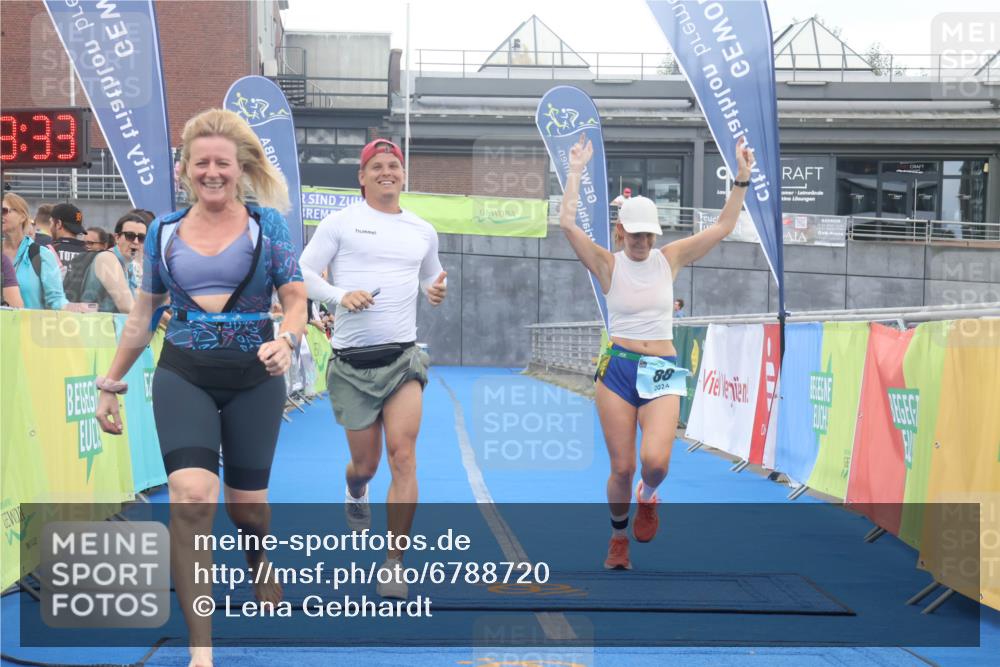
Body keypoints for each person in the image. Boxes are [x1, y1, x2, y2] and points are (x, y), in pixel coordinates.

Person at [94, 108, 306, 667]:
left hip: (255, 378)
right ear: (185, 168)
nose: (212, 172)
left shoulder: (269, 226)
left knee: (247, 510)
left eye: (223, 164)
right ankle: (201, 648)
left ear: (241, 169)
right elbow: (143, 315)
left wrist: (288, 338)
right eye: (201, 162)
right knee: (191, 499)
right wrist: (110, 383)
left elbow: (296, 297)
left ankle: (258, 558)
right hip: (183, 370)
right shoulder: (162, 232)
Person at [560, 134, 752, 570]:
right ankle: (617, 538)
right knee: (622, 467)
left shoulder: (670, 258)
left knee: (655, 463)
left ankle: (650, 495)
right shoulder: (607, 264)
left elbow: (723, 226)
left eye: (649, 234)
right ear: (620, 231)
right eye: (634, 233)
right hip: (618, 369)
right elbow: (567, 224)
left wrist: (741, 178)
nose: (642, 241)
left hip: (662, 368)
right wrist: (574, 172)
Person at [299, 138, 447, 599]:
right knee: (366, 465)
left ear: (403, 175)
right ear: (362, 177)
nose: (388, 172)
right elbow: (302, 272)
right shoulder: (340, 223)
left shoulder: (421, 229)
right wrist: (339, 295)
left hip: (403, 358)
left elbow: (431, 275)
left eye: (395, 165)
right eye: (378, 166)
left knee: (404, 457)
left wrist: (435, 291)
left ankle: (394, 562)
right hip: (351, 365)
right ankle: (356, 490)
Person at [2, 193, 69, 310]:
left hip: (29, 326)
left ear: (22, 217)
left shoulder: (42, 254)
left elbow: (56, 299)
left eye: (4, 211)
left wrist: (73, 309)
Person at [74, 213, 148, 313]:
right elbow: (127, 307)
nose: (136, 241)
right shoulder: (107, 259)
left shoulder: (129, 265)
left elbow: (138, 302)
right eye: (130, 236)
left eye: (141, 237)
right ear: (117, 238)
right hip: (95, 326)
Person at [49, 203, 88, 267]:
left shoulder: (47, 252)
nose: (49, 227)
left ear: (58, 223)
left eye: (50, 222)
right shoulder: (89, 254)